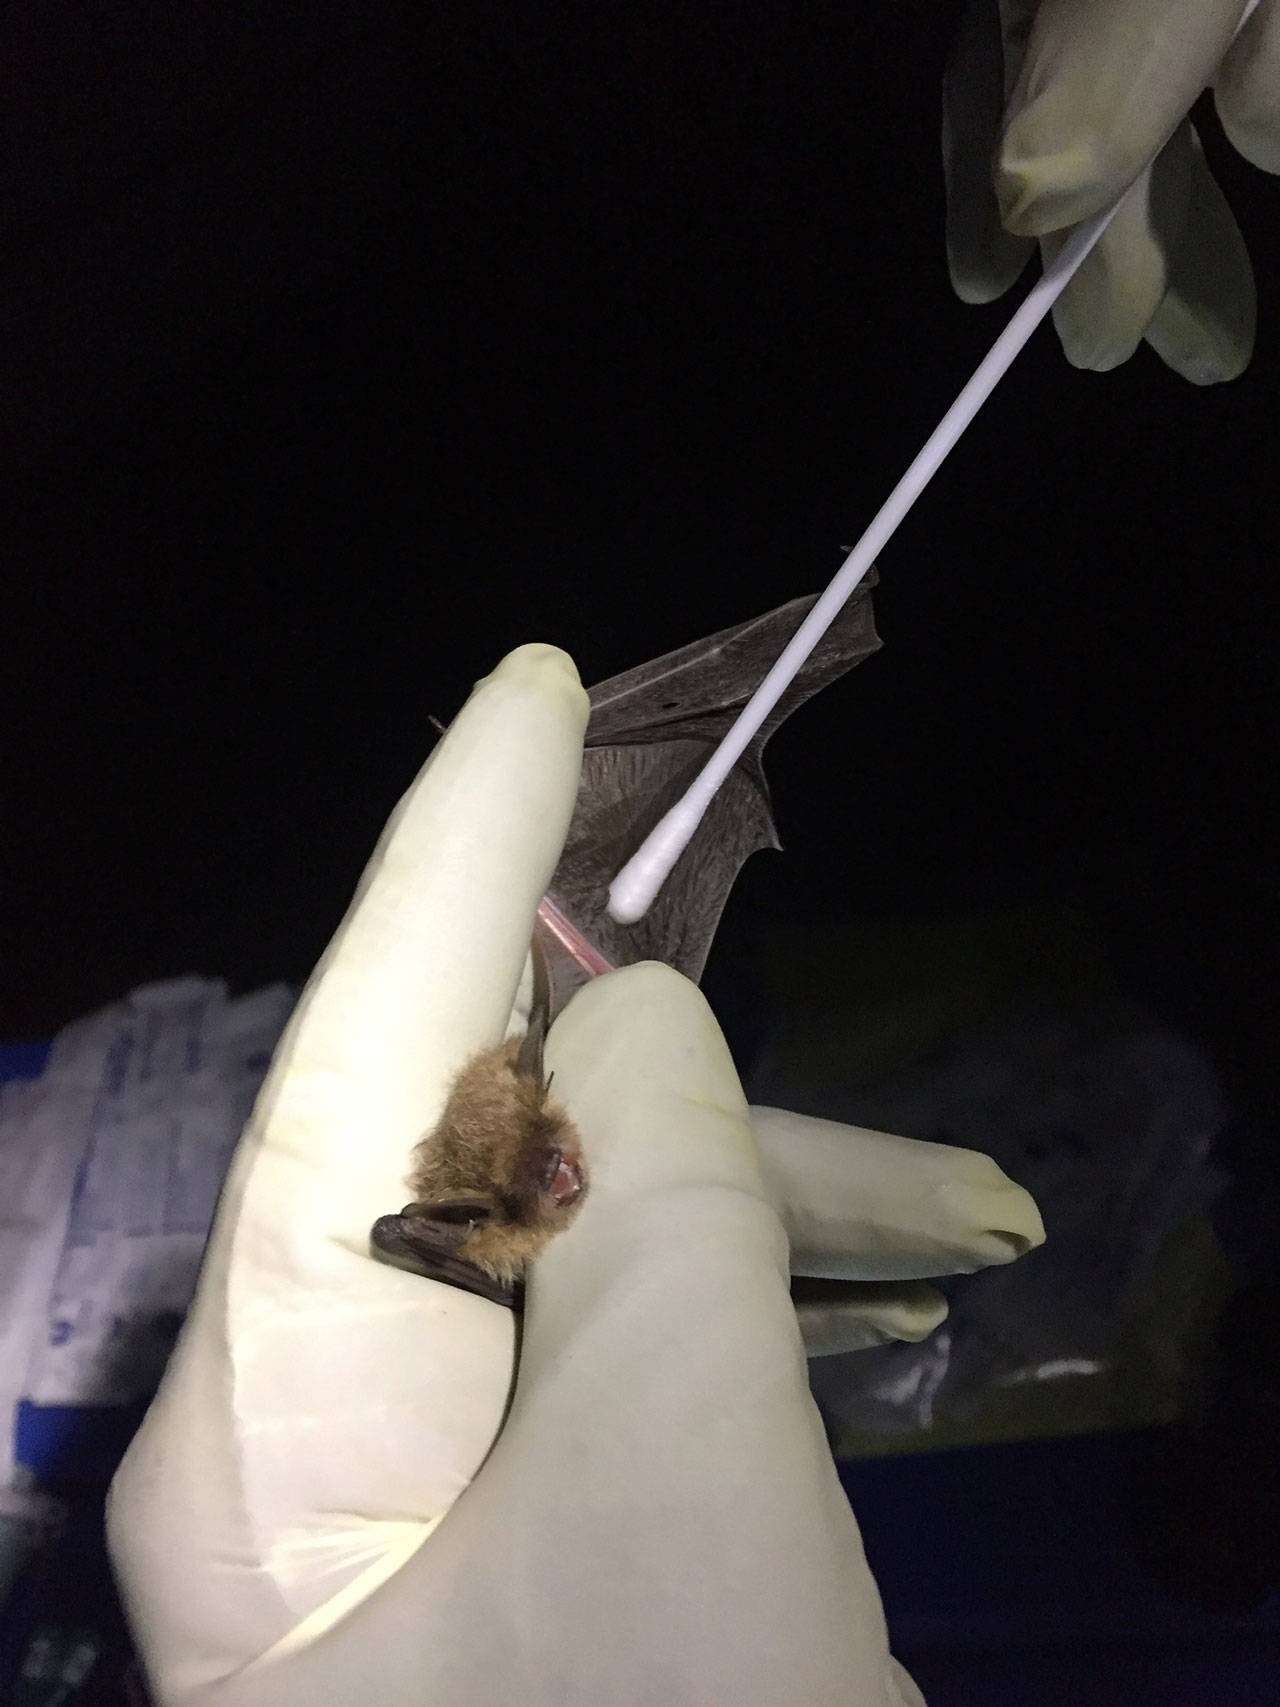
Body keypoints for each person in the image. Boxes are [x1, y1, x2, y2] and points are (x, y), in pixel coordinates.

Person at [107, 9, 1276, 1702]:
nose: (569, 1191)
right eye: (553, 1200)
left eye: (556, 1188)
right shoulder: (486, 1241)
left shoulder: (484, 1166)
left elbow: (508, 1175)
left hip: (535, 1035)